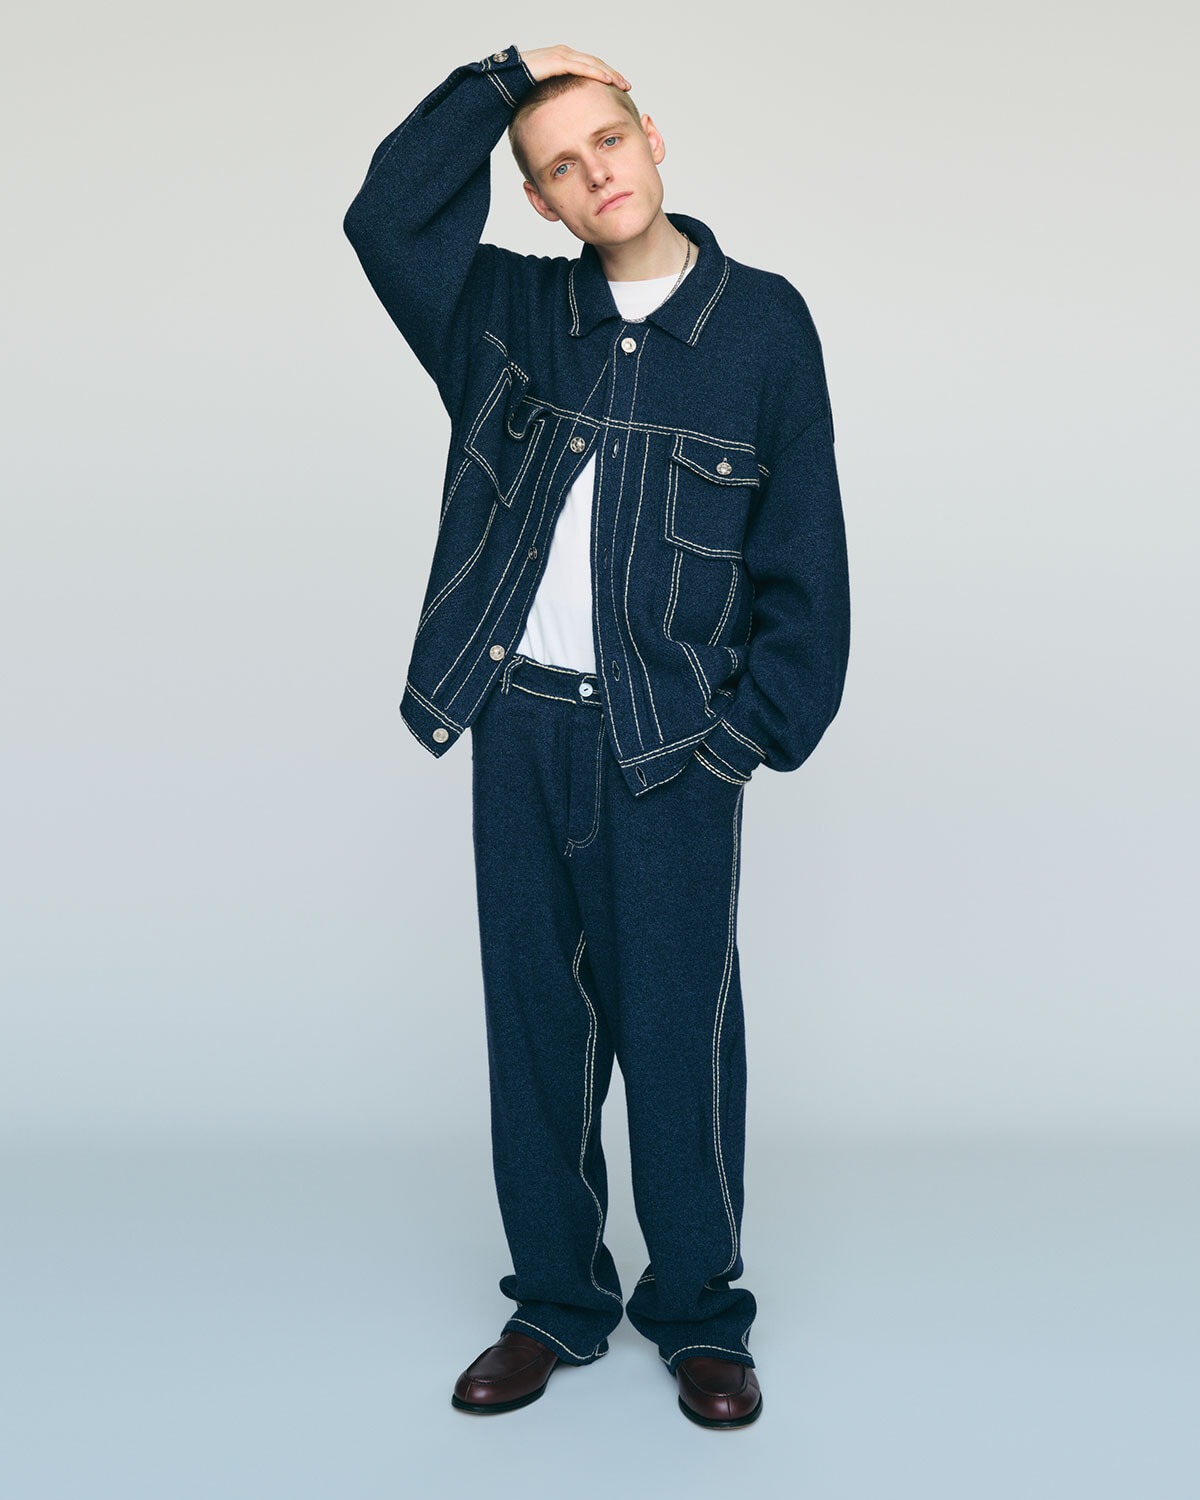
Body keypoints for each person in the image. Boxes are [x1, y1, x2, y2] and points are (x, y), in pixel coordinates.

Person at [343, 41, 851, 1429]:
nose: (594, 174)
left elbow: (805, 551)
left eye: (607, 141)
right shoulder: (504, 313)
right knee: (536, 1037)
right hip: (518, 727)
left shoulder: (762, 326)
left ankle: (699, 1313)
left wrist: (743, 740)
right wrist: (498, 80)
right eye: (558, 165)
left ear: (653, 137)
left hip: (668, 746)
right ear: (540, 199)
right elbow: (384, 217)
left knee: (678, 1037)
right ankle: (556, 1303)